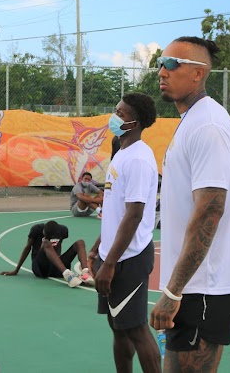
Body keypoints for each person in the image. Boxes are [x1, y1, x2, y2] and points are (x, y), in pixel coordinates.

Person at [150, 37, 230, 373]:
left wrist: (174, 292)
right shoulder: (194, 121)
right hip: (195, 286)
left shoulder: (208, 126)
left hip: (203, 286)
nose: (161, 71)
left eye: (171, 64)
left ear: (198, 74)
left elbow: (210, 210)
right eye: (160, 63)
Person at [88, 92, 161, 373]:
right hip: (111, 255)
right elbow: (115, 210)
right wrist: (99, 246)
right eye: (115, 110)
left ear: (135, 122)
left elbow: (134, 215)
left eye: (121, 114)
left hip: (128, 259)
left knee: (136, 329)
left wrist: (109, 265)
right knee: (118, 327)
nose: (114, 117)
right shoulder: (122, 152)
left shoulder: (139, 159)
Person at [0, 220, 94, 287]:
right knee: (46, 243)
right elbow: (27, 248)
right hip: (40, 268)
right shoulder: (36, 230)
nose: (47, 237)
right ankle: (68, 275)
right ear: (43, 231)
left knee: (80, 243)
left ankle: (85, 273)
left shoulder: (63, 230)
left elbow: (59, 245)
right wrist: (16, 270)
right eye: (45, 235)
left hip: (56, 267)